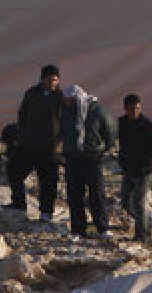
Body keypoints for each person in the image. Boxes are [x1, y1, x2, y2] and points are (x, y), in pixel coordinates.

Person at [8, 64, 64, 221]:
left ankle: (46, 213)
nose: (52, 83)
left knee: (48, 181)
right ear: (42, 79)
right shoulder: (32, 94)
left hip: (50, 148)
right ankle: (18, 203)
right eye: (49, 79)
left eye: (55, 80)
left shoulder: (61, 98)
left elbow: (67, 122)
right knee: (13, 171)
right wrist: (22, 135)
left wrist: (60, 142)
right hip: (28, 145)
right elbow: (22, 114)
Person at [60, 84, 116, 238]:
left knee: (97, 194)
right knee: (74, 195)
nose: (66, 103)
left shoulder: (97, 111)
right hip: (72, 158)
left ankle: (102, 228)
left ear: (76, 99)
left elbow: (110, 131)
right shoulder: (65, 112)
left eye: (68, 100)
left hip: (93, 158)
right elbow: (62, 131)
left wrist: (103, 149)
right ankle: (78, 229)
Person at [117, 94, 152, 242]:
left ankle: (141, 234)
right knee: (125, 201)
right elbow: (123, 145)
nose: (134, 112)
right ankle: (147, 224)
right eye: (131, 109)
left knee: (138, 201)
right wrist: (122, 162)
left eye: (137, 108)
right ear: (125, 109)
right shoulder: (122, 123)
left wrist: (146, 164)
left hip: (145, 170)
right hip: (129, 168)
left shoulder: (148, 126)